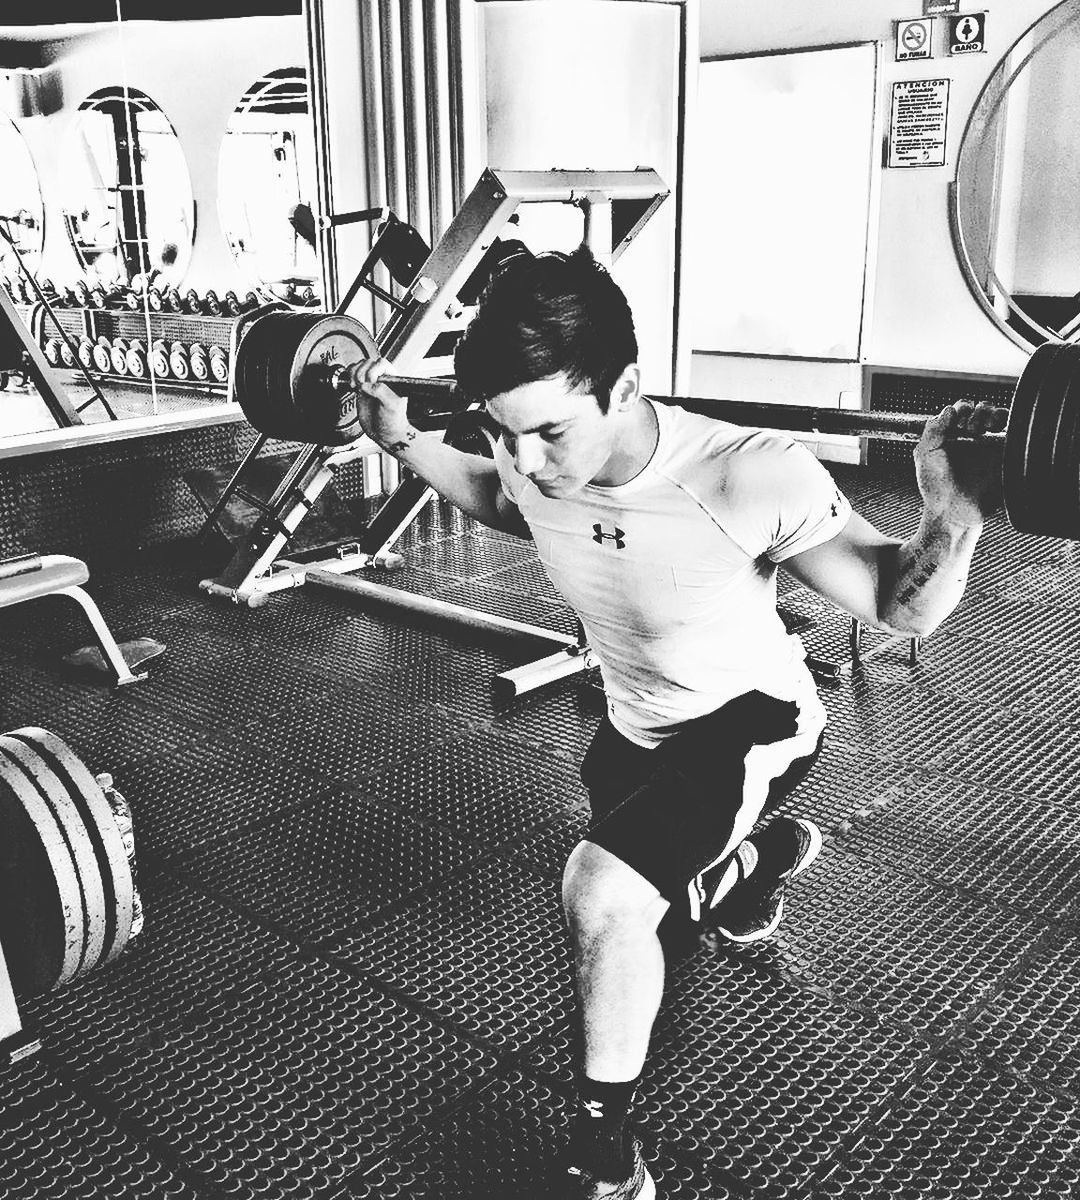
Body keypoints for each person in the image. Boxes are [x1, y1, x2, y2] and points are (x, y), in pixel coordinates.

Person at [346, 247, 1003, 1200]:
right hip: (635, 726)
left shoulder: (750, 475)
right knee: (672, 914)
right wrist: (406, 441)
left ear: (626, 385)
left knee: (604, 893)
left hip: (752, 723)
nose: (527, 458)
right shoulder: (523, 452)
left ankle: (605, 1159)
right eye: (502, 430)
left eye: (551, 432)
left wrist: (956, 513)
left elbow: (899, 609)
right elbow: (506, 499)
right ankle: (756, 866)